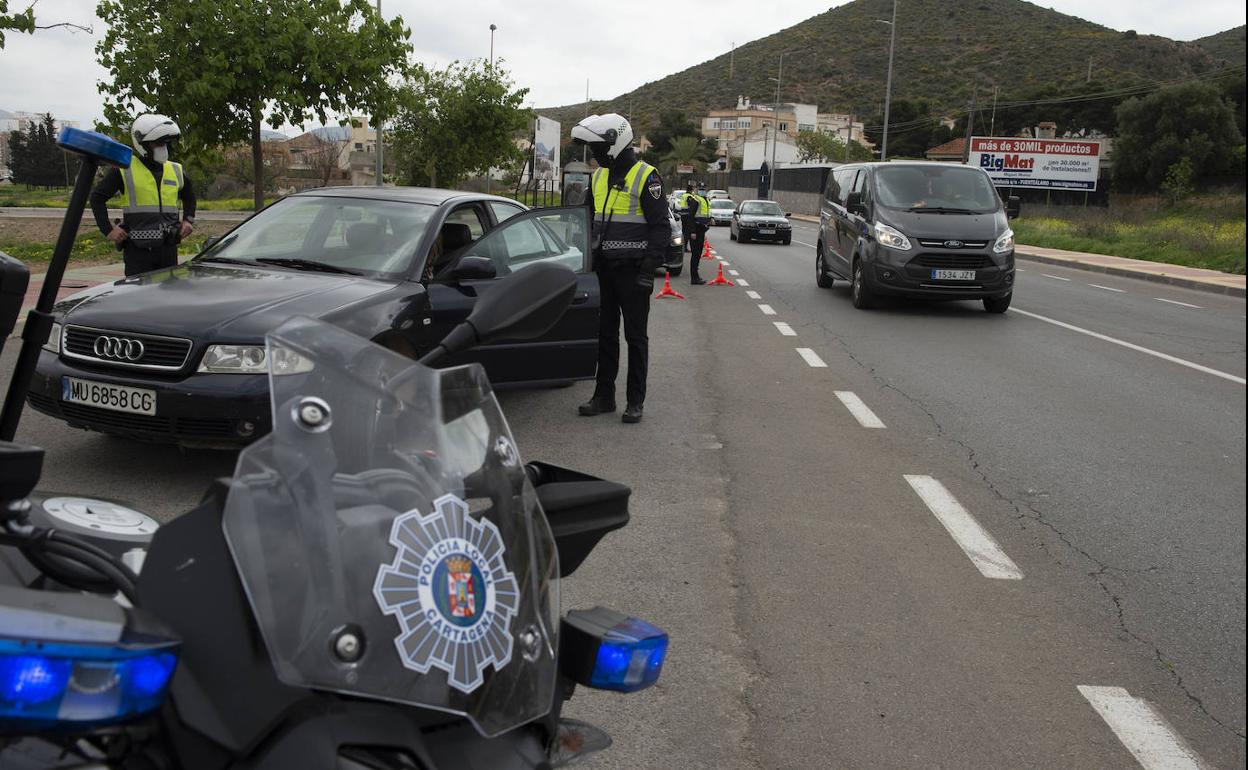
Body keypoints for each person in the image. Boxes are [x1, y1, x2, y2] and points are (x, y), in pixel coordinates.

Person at [571, 113, 668, 424]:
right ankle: (604, 396)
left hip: (633, 272)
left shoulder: (646, 176)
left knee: (636, 338)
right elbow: (585, 220)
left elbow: (660, 228)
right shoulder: (599, 177)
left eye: (599, 149)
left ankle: (635, 401)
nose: (596, 155)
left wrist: (648, 271)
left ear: (617, 143)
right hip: (604, 272)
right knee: (605, 335)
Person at [90, 113, 196, 277]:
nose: (164, 147)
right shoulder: (125, 169)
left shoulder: (176, 169)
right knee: (137, 297)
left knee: (168, 296)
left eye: (166, 143)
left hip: (168, 249)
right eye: (158, 143)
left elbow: (189, 196)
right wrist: (108, 230)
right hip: (137, 252)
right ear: (143, 145)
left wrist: (188, 219)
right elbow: (97, 198)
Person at [683, 185, 711, 284]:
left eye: (704, 189)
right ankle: (694, 278)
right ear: (697, 190)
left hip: (701, 230)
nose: (703, 191)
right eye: (701, 190)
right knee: (695, 255)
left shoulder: (705, 200)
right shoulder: (696, 200)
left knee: (698, 254)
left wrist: (710, 221)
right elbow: (690, 217)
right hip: (696, 230)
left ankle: (696, 277)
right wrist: (692, 231)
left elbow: (704, 215)